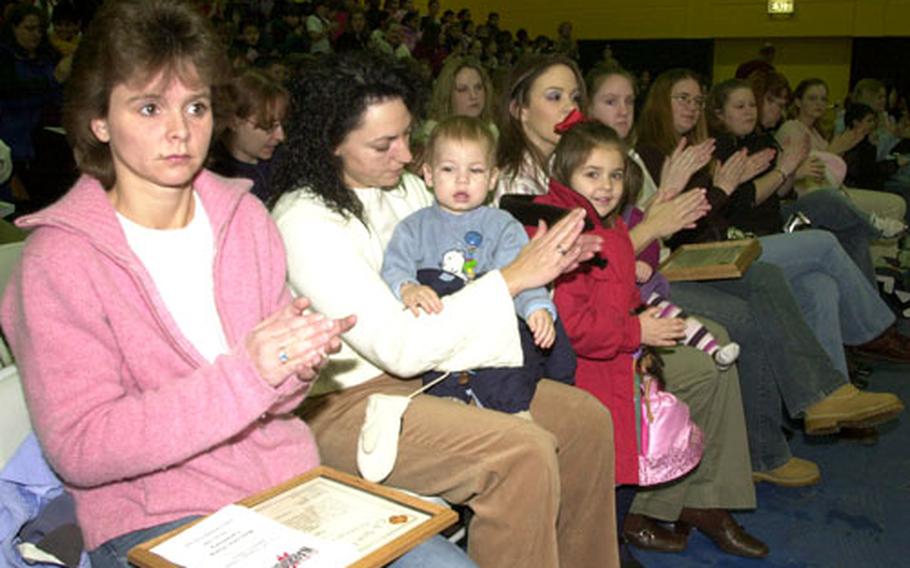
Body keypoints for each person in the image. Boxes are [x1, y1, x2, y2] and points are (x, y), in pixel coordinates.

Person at [0, 2, 471, 566]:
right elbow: (81, 446)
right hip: (154, 515)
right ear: (99, 121)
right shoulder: (60, 261)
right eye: (149, 107)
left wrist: (297, 364)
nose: (179, 130)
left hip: (284, 487)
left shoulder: (243, 219)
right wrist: (250, 374)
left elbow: (280, 401)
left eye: (195, 106)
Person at [270, 50, 620, 568]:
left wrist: (544, 265)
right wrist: (516, 276)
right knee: (519, 454)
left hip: (446, 373)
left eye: (408, 136)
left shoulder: (410, 187)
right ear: (332, 143)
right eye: (383, 144)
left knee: (585, 421)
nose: (404, 154)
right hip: (348, 404)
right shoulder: (304, 220)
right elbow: (399, 348)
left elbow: (476, 262)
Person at [586, 65, 904, 492]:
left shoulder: (640, 156)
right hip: (659, 272)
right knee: (784, 276)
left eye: (627, 100)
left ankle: (824, 395)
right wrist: (712, 190)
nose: (623, 110)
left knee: (798, 281)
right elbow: (661, 232)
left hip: (676, 259)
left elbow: (672, 225)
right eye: (611, 101)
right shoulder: (617, 158)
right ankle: (780, 436)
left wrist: (717, 190)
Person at [536, 118, 766, 558]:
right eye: (592, 174)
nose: (606, 186)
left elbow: (624, 299)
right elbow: (575, 327)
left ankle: (612, 542)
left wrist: (641, 342)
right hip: (588, 379)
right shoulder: (566, 234)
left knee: (625, 467)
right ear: (564, 174)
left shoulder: (611, 230)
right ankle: (598, 551)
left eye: (616, 175)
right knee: (600, 474)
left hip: (621, 369)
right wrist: (638, 331)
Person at [381, 116, 574, 417]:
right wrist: (408, 287)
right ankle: (450, 399)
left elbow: (523, 276)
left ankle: (512, 410)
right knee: (436, 314)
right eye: (449, 169)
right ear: (428, 175)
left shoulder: (503, 225)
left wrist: (537, 308)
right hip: (443, 331)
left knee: (514, 358)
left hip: (493, 332)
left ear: (493, 178)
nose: (462, 180)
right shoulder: (414, 227)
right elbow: (394, 266)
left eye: (475, 170)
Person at [778, 78, 907, 229]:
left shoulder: (818, 132)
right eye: (812, 98)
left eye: (823, 99)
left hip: (833, 188)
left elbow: (833, 169)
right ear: (798, 102)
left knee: (897, 204)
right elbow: (805, 170)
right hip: (809, 195)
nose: (819, 103)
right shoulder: (791, 127)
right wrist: (834, 150)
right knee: (891, 204)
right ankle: (875, 227)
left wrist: (844, 148)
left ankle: (881, 243)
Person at [207, 69, 287, 203]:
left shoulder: (284, 161)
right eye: (268, 126)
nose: (281, 136)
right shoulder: (217, 180)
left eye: (281, 124)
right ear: (233, 121)